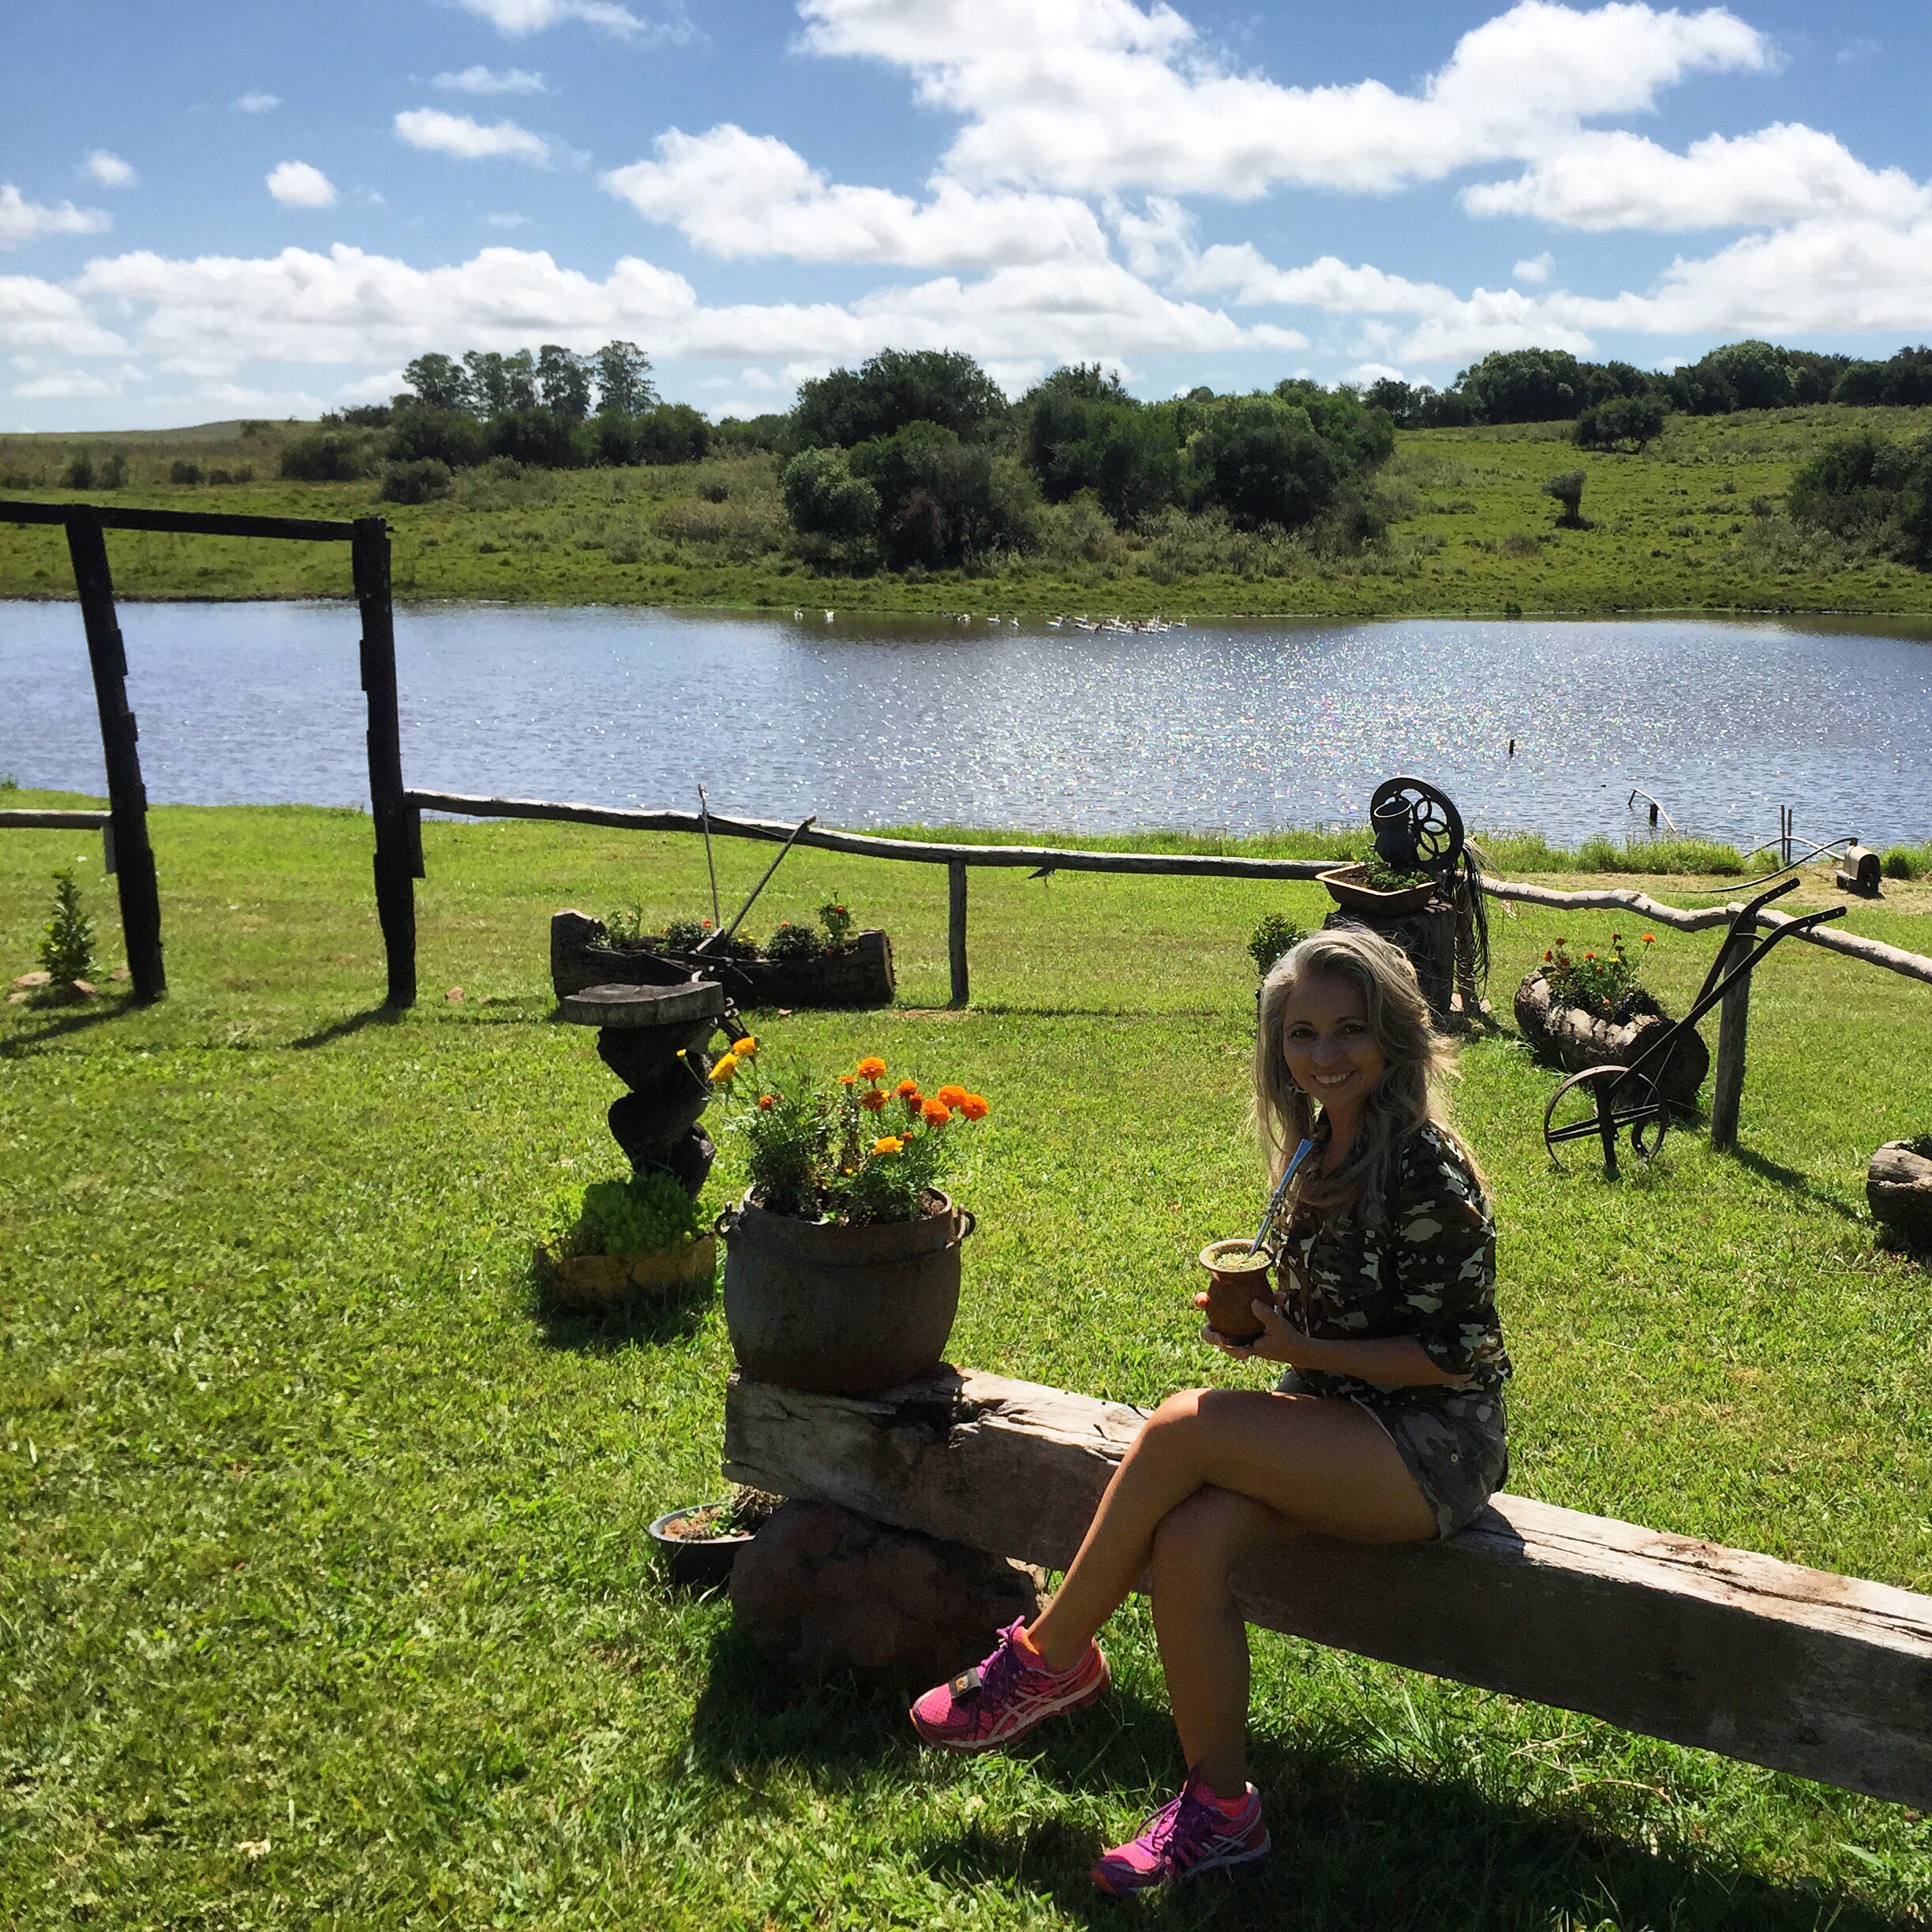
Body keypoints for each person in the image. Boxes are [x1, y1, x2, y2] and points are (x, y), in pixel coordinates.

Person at [909, 926, 1511, 1895]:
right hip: (1335, 1424)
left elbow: (1461, 1355)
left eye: (1350, 1030)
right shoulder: (1316, 1147)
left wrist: (1300, 1351)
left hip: (1431, 1449)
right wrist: (1268, 1321)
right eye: (1303, 1032)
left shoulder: (1423, 1169)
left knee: (1184, 1424)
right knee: (1190, 1541)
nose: (1324, 1053)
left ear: (1394, 1037)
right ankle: (1223, 1813)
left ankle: (1050, 1657)